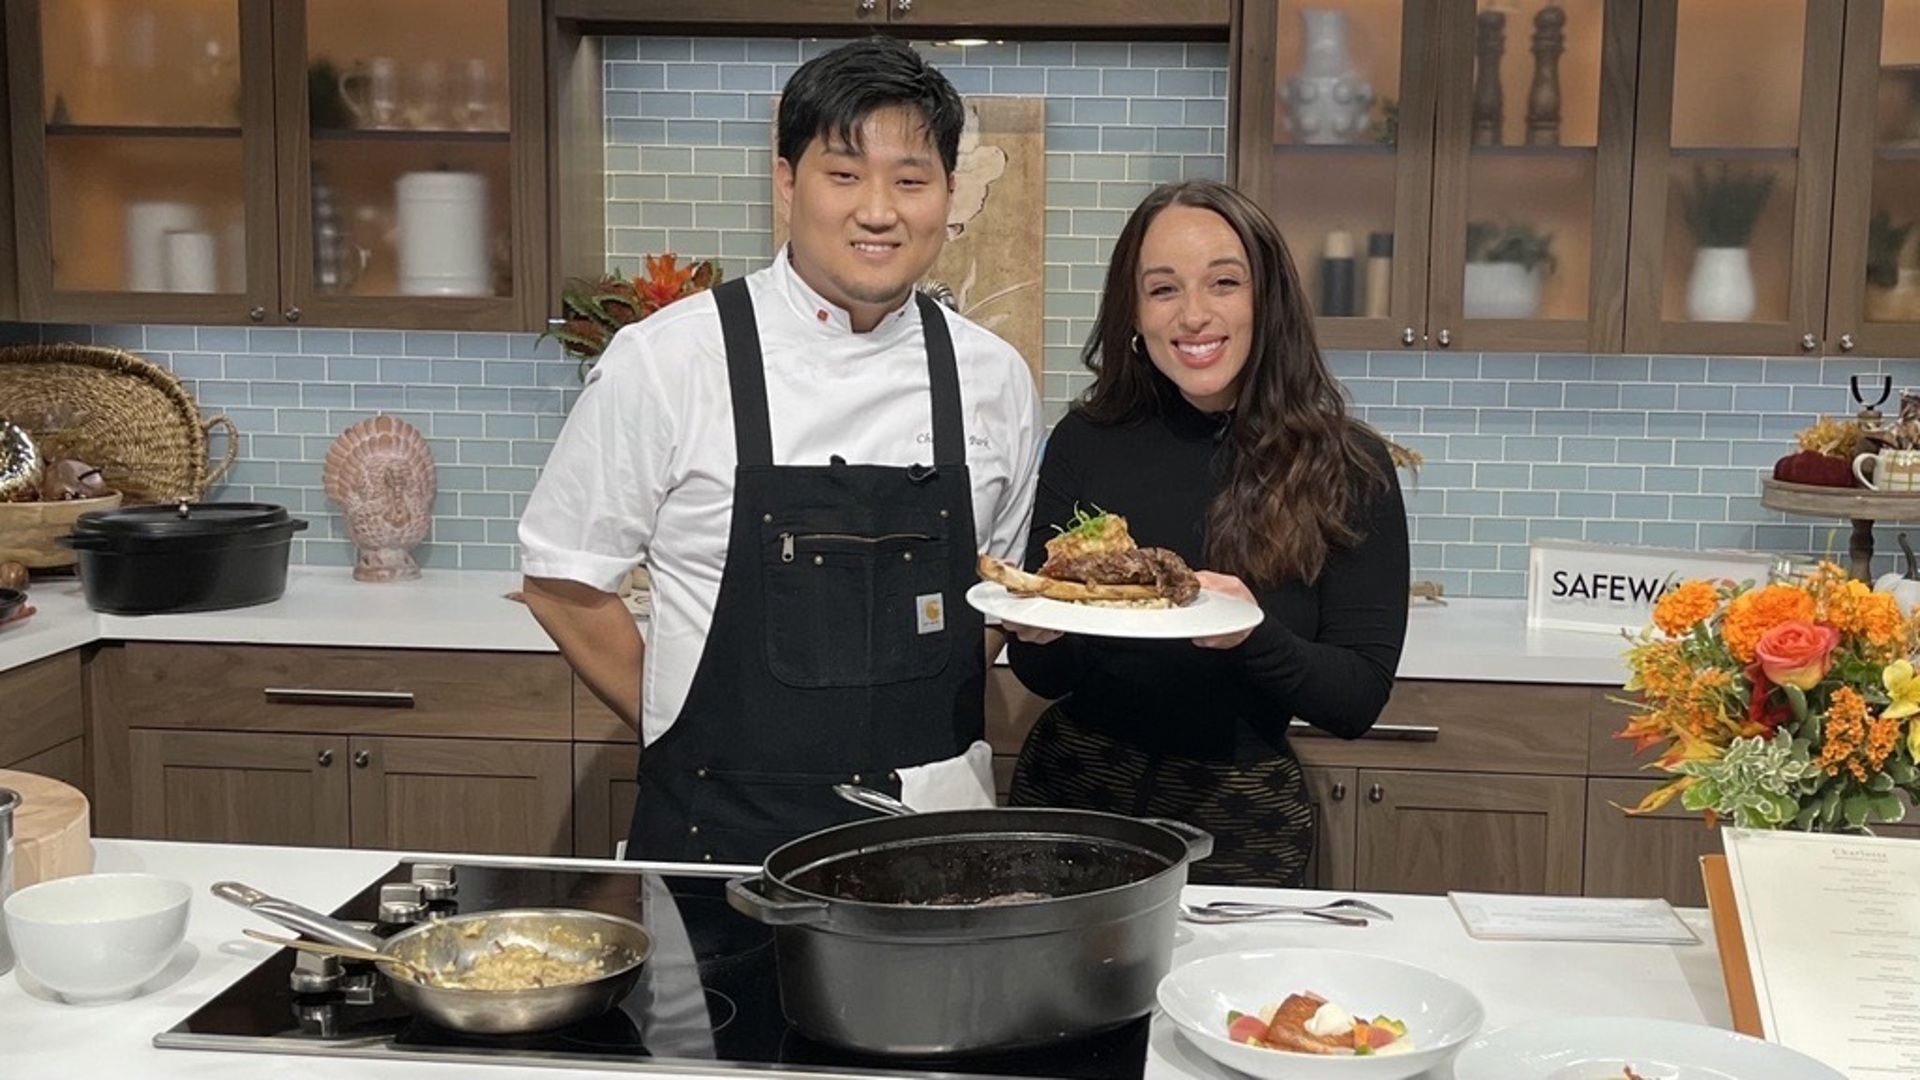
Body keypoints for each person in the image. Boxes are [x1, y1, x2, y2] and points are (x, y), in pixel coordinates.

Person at [519, 37, 1042, 865]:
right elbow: (561, 582)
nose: (879, 210)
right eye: (843, 175)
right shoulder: (669, 360)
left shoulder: (994, 378)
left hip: (927, 841)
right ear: (786, 182)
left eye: (911, 180)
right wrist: (683, 731)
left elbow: (992, 599)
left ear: (946, 194)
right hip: (718, 835)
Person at [1002, 179, 1409, 887]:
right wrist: (1039, 629)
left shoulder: (1348, 466)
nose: (1194, 315)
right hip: (1070, 794)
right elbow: (1045, 675)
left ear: (1268, 300)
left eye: (1224, 283)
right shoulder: (1085, 442)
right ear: (1133, 311)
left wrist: (1253, 633)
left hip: (1245, 816)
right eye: (1163, 290)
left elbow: (1356, 699)